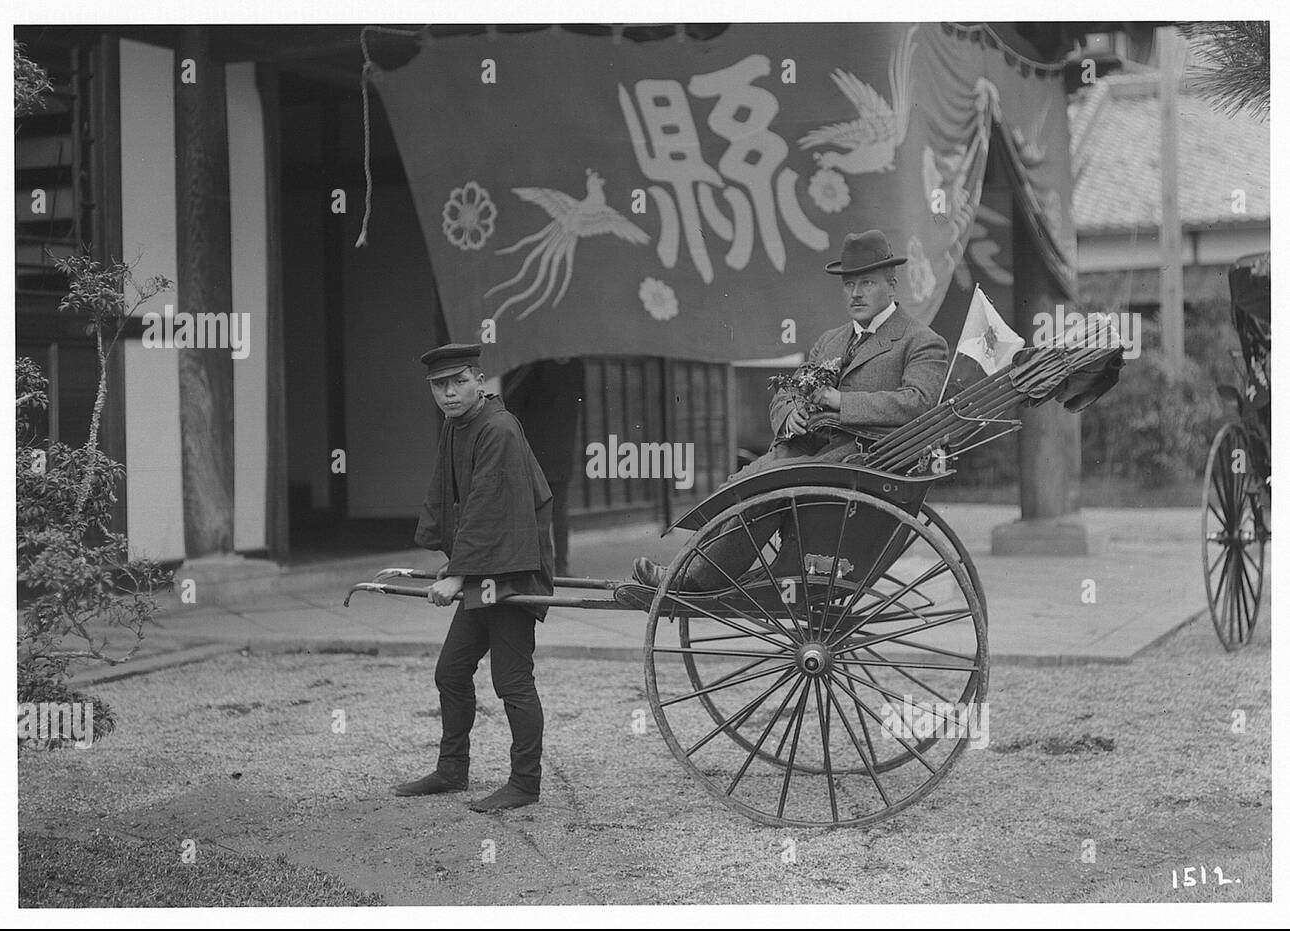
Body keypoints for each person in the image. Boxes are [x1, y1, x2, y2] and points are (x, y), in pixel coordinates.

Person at [632, 229, 949, 590]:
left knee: (768, 490)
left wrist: (841, 402)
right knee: (740, 486)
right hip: (806, 451)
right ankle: (687, 569)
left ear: (892, 285)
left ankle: (695, 581)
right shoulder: (831, 340)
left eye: (867, 283)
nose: (856, 293)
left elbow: (919, 402)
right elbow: (787, 393)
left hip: (859, 463)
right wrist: (790, 414)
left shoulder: (919, 341)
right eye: (849, 284)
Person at [392, 343, 555, 812]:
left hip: (515, 568)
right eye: (439, 386)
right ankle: (451, 770)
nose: (449, 393)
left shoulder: (499, 428)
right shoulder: (457, 425)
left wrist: (460, 573)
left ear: (480, 381)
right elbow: (452, 498)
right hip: (485, 567)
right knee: (451, 671)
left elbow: (490, 504)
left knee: (512, 680)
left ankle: (525, 783)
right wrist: (456, 560)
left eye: (459, 382)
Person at [503, 357, 585, 575]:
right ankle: (561, 566)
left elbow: (512, 402)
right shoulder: (576, 365)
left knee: (536, 509)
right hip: (563, 446)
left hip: (536, 447)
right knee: (559, 509)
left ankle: (541, 565)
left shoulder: (532, 366)